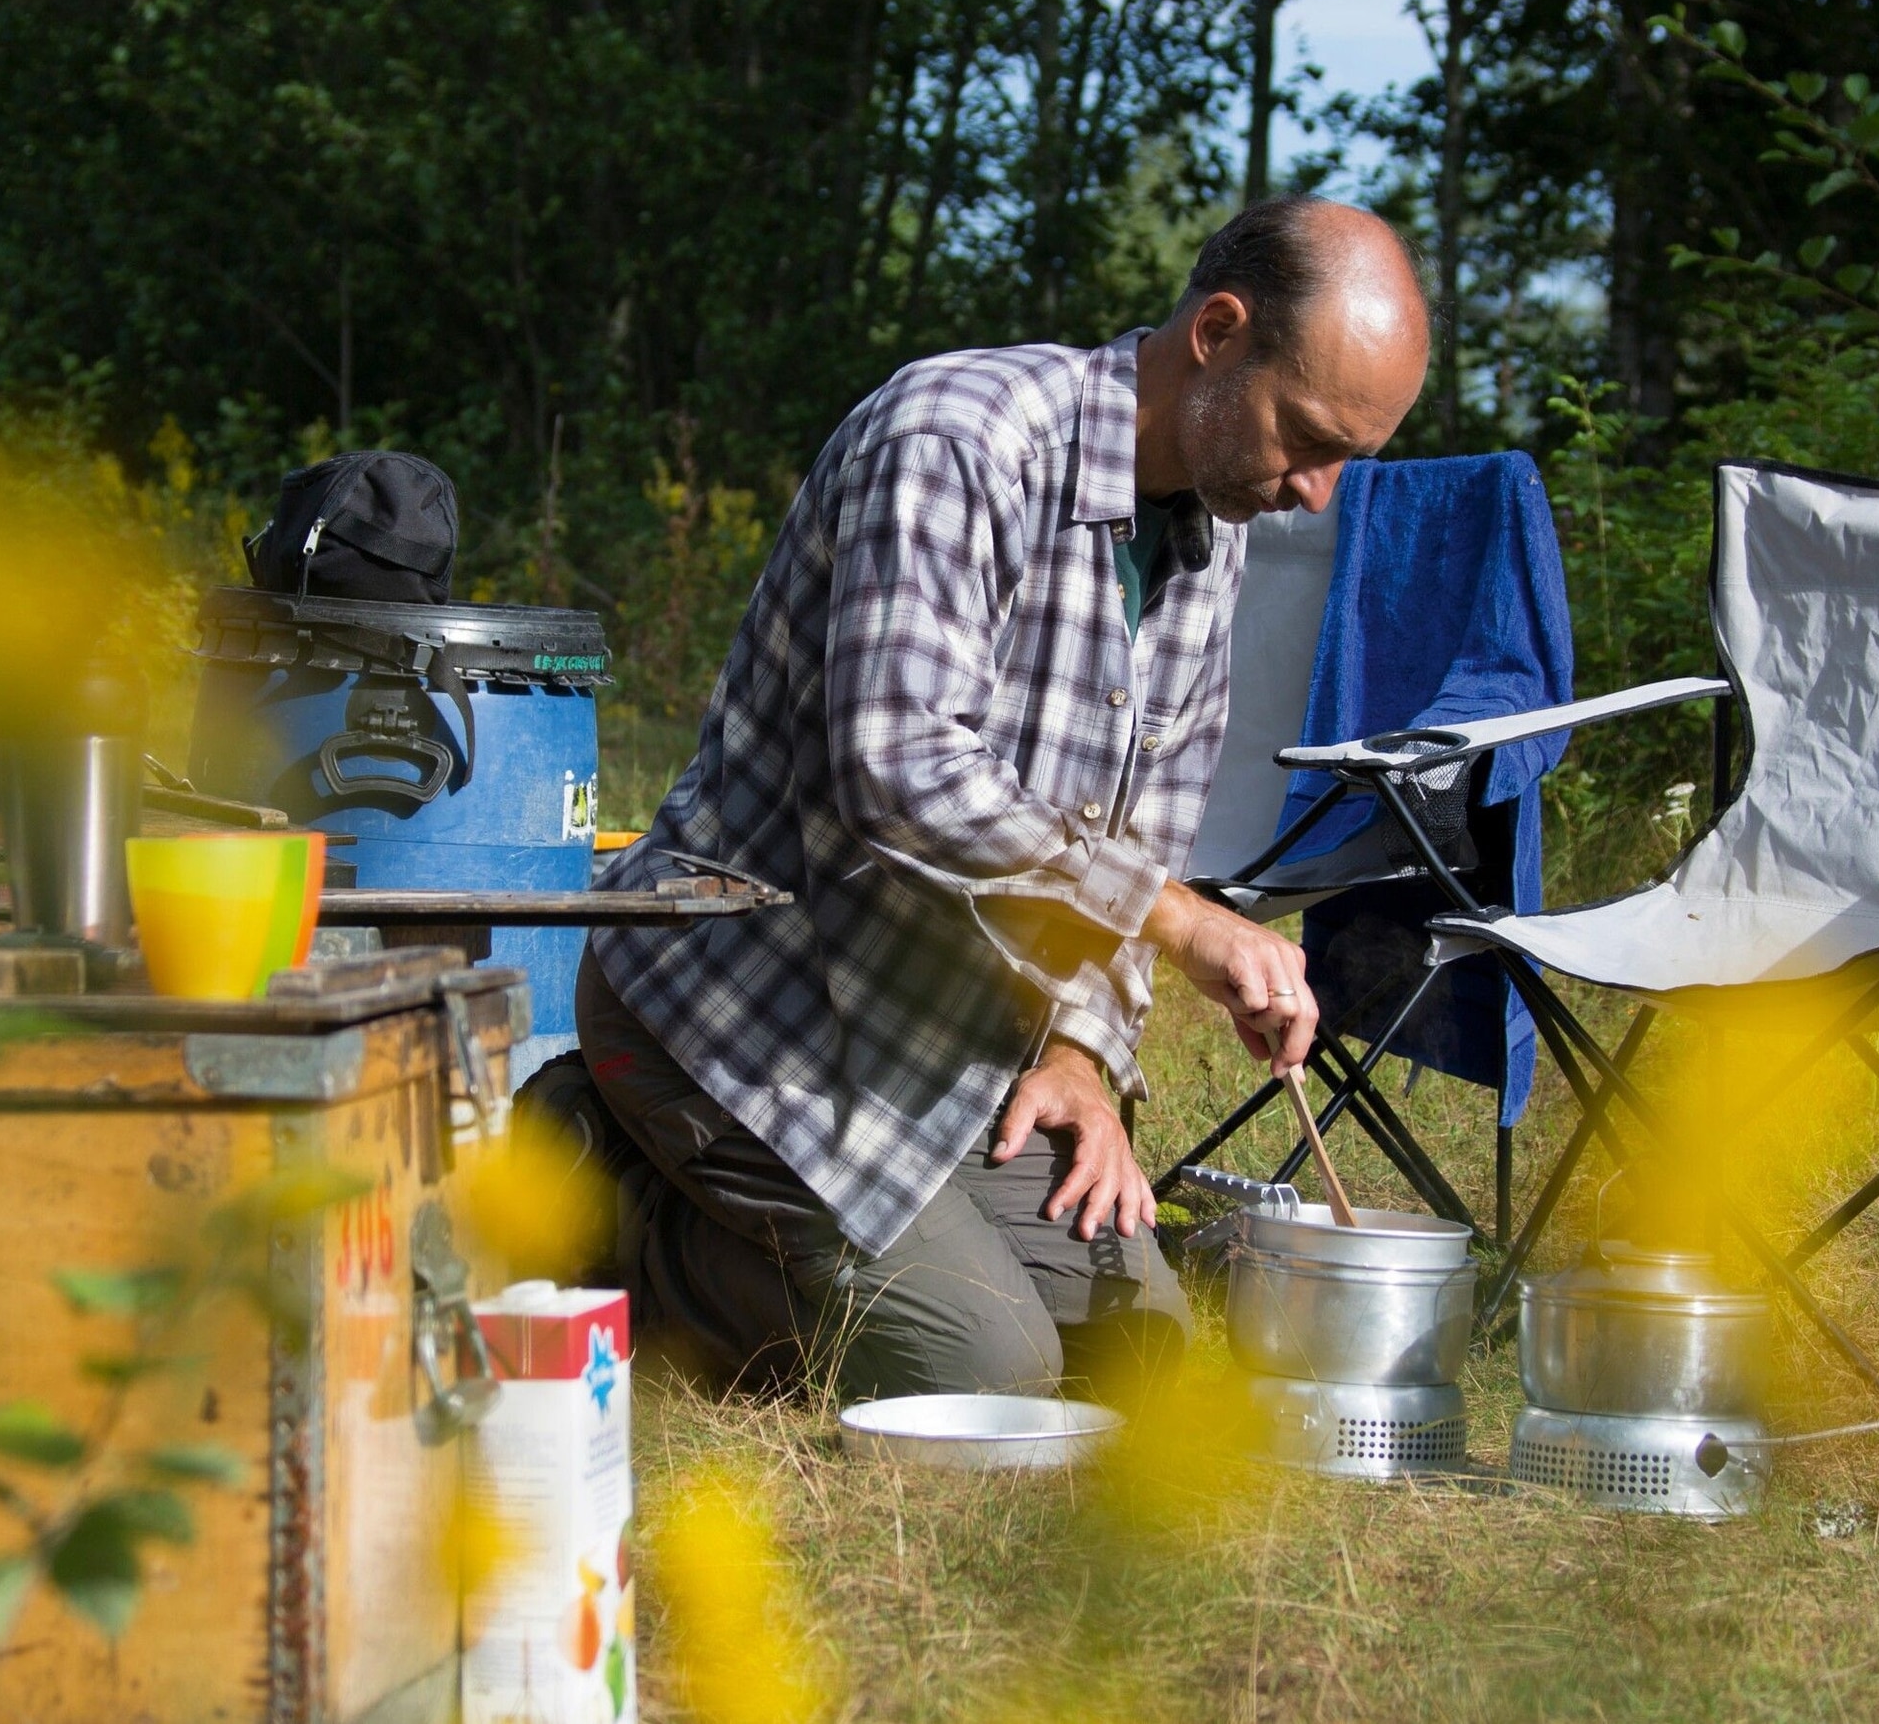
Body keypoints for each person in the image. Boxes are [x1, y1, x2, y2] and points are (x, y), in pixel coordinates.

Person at [525, 196, 1433, 1402]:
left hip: (946, 1047)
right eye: (1308, 438)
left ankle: (871, 1217)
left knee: (1134, 1352)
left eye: (1345, 462)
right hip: (748, 1017)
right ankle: (600, 1189)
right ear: (1218, 331)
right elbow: (898, 764)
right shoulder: (960, 439)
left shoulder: (1216, 527)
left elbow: (1142, 826)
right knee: (978, 1365)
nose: (1317, 494)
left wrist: (1077, 1051)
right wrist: (1182, 920)